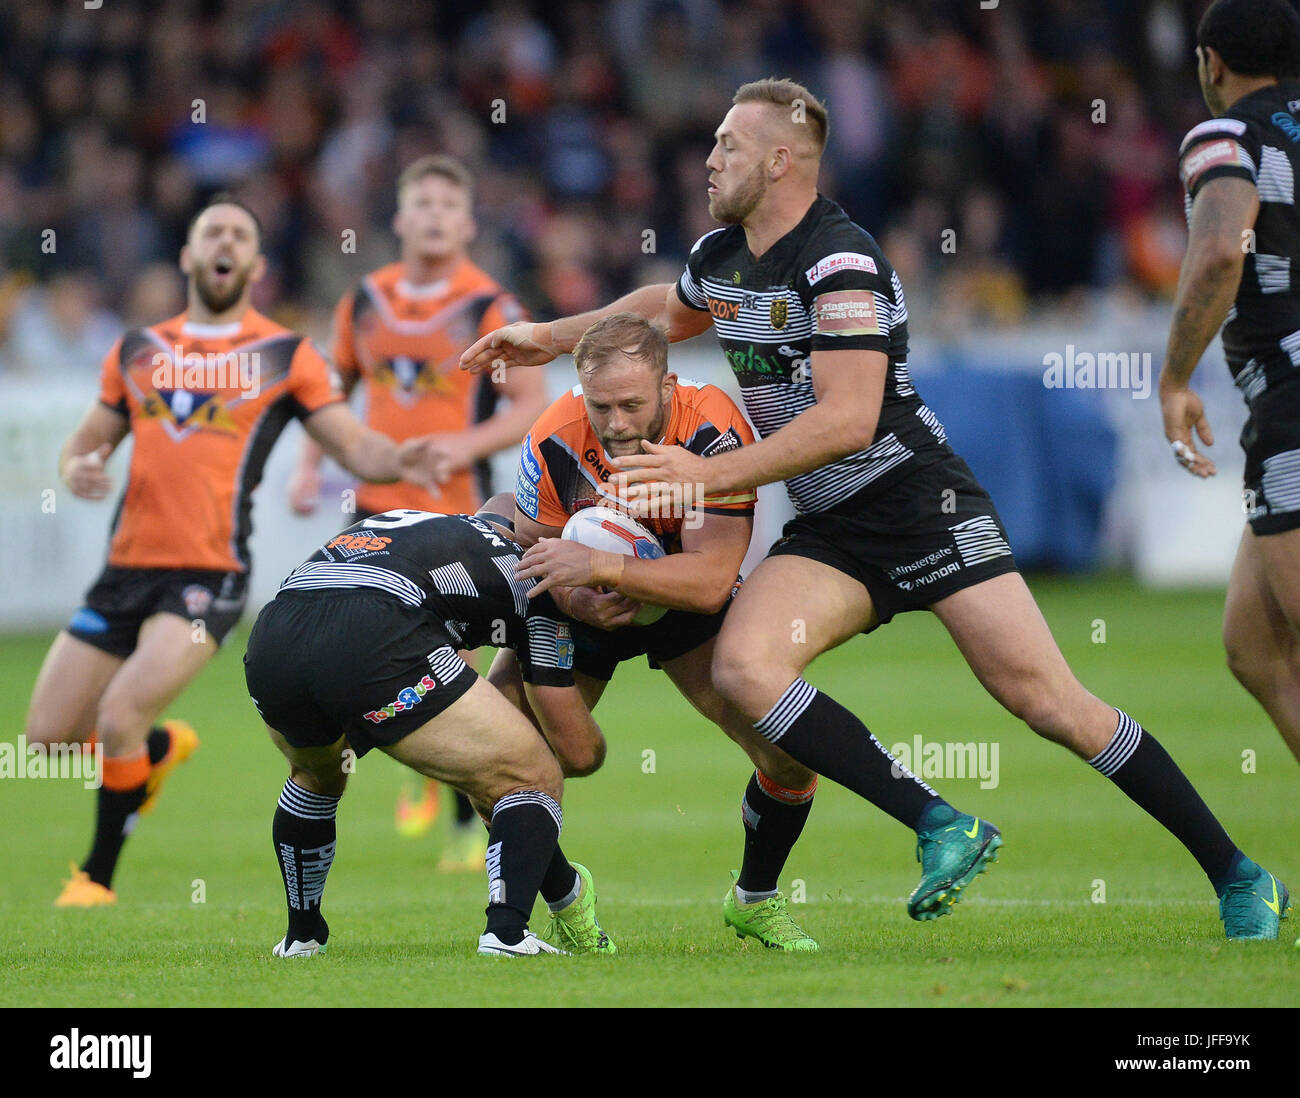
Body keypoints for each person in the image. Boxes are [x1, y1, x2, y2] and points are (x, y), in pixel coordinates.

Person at [465, 78, 1290, 940]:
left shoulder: (840, 262)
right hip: (833, 529)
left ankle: (1240, 876)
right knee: (747, 668)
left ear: (781, 160)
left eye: (729, 147)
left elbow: (848, 420)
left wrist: (705, 479)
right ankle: (940, 824)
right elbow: (659, 317)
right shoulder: (720, 257)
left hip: (921, 505)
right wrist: (552, 337)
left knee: (1048, 701)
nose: (710, 160)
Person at [28, 195, 446, 907]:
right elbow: (87, 442)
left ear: (255, 264)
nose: (225, 241)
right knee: (45, 742)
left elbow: (352, 444)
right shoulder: (137, 350)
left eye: (240, 234)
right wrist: (77, 467)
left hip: (207, 575)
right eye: (210, 231)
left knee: (120, 714)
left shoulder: (285, 355)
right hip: (122, 572)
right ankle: (155, 756)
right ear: (189, 257)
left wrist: (399, 455)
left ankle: (94, 878)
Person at [493, 311, 822, 951]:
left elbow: (707, 581)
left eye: (631, 405)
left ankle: (754, 898)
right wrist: (576, 592)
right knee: (494, 751)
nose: (614, 423)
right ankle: (565, 898)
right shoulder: (552, 437)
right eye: (600, 406)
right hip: (581, 605)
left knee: (789, 757)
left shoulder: (710, 424)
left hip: (681, 601)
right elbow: (531, 550)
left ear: (667, 389)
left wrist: (604, 566)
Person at [288, 155, 548, 866]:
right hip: (371, 510)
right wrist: (311, 465)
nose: (433, 214)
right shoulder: (362, 302)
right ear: (398, 219)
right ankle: (419, 775)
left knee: (451, 663)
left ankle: (466, 822)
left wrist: (459, 444)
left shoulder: (494, 308)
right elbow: (326, 393)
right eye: (421, 202)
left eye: (447, 204)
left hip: (451, 509)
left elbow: (532, 405)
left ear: (467, 223)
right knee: (354, 650)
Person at [243, 505, 614, 957]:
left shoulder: (432, 523)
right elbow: (575, 752)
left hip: (274, 636)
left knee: (317, 777)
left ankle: (302, 936)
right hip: (373, 631)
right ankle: (507, 934)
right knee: (530, 775)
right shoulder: (537, 578)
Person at [1160, 0, 1300, 781]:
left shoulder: (1227, 135)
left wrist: (1175, 376)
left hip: (1292, 400)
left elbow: (1219, 252)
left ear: (1212, 61)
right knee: (1254, 647)